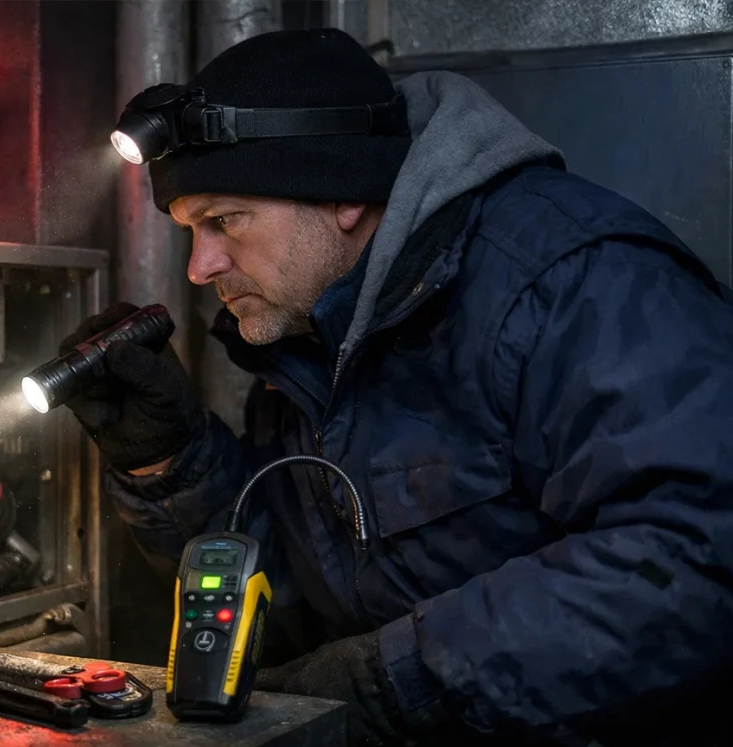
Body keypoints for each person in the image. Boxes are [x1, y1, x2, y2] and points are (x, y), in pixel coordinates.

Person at [60, 28, 733, 746]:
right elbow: (291, 602)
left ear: (342, 191)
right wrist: (168, 458)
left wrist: (395, 680)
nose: (200, 266)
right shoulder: (306, 347)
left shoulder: (567, 281)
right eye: (191, 230)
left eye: (223, 220)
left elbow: (697, 550)